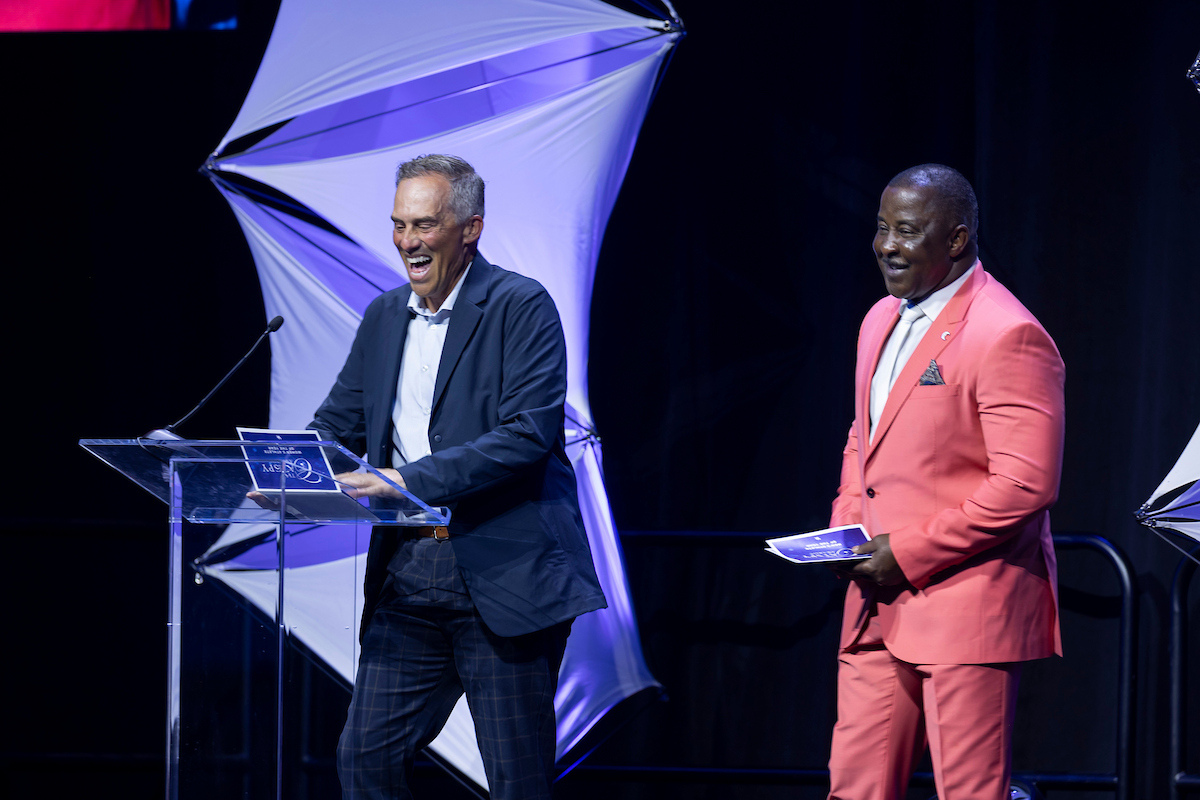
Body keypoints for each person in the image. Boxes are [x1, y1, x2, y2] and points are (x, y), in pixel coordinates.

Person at [310, 153, 607, 799]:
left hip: (504, 575)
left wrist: (406, 480)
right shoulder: (384, 316)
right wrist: (287, 472)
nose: (407, 241)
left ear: (470, 228)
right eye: (399, 224)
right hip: (408, 575)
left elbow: (527, 434)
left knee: (517, 782)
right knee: (365, 759)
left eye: (424, 225)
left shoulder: (520, 305)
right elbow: (335, 425)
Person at [826, 164, 1065, 800]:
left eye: (906, 231)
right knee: (853, 790)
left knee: (968, 793)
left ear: (956, 239)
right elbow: (864, 437)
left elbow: (1025, 484)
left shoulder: (1006, 332)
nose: (886, 245)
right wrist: (846, 528)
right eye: (882, 228)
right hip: (875, 605)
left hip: (966, 606)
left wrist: (905, 552)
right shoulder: (879, 319)